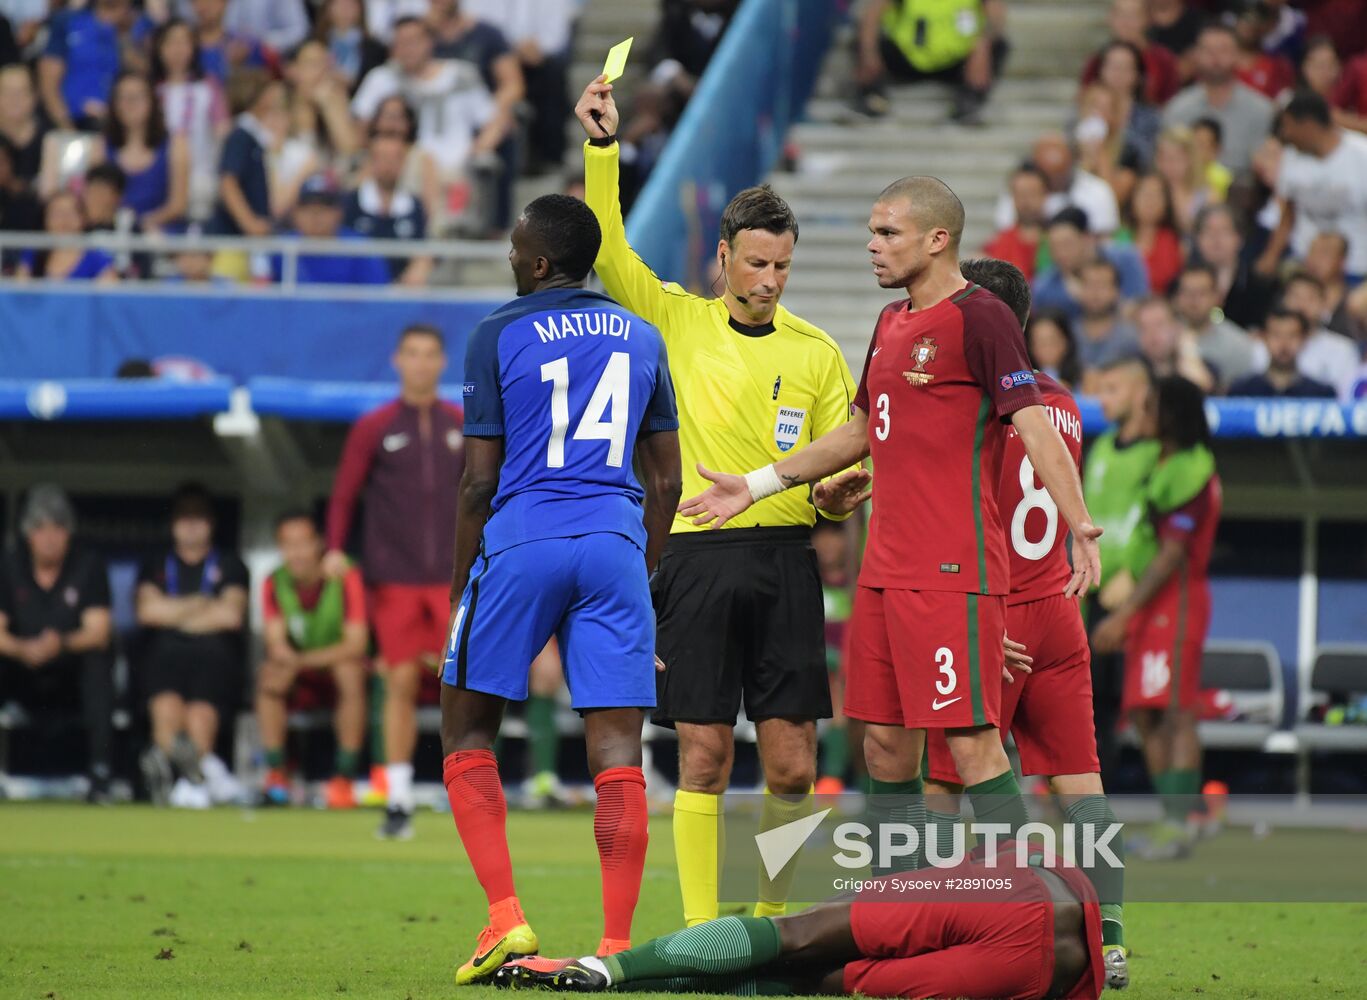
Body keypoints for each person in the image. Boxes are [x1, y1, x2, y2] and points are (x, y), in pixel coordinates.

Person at [678, 174, 1103, 914]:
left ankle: (1030, 911)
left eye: (886, 234)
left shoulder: (981, 318)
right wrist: (757, 483)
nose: (871, 247)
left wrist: (1077, 525)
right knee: (882, 748)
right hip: (881, 569)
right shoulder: (888, 321)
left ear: (937, 240)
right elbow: (855, 430)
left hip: (949, 570)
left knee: (970, 745)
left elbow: (1031, 423)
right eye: (872, 233)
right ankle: (893, 908)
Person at [577, 75, 858, 929]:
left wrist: (841, 501)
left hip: (783, 559)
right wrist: (601, 151)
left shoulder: (817, 354)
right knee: (700, 755)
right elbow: (610, 251)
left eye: (781, 265)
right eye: (756, 262)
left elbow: (843, 465)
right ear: (723, 257)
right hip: (695, 561)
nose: (768, 279)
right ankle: (702, 930)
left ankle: (772, 922)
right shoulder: (676, 320)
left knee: (791, 764)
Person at [440, 192, 682, 980]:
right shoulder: (642, 336)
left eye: (515, 249)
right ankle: (616, 950)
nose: (510, 259)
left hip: (523, 538)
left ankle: (504, 919)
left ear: (540, 262)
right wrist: (642, 578)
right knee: (617, 752)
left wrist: (457, 590)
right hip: (615, 543)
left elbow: (478, 484)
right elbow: (669, 481)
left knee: (467, 729)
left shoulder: (496, 333)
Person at [920, 255, 1128, 987]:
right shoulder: (1063, 403)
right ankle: (1112, 936)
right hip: (1058, 614)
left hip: (995, 615)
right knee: (1080, 783)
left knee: (946, 780)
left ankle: (944, 921)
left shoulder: (982, 405)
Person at [499, 847, 1105, 1000]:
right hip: (1044, 971)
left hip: (1016, 885)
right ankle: (605, 975)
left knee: (801, 937)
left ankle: (604, 970)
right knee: (830, 979)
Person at [325, 323, 465, 839]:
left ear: (443, 362)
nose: (422, 363)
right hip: (396, 580)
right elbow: (344, 494)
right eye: (413, 353)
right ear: (397, 361)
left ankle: (467, 795)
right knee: (400, 681)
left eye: (431, 353)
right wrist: (336, 550)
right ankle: (399, 798)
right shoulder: (374, 426)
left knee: (464, 687)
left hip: (453, 581)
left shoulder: (462, 424)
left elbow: (485, 493)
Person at [1092, 376, 1222, 863]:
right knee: (1145, 710)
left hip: (1177, 600)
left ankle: (1180, 822)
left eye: (1151, 406)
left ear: (1171, 414)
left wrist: (1124, 613)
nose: (1143, 412)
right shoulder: (1161, 460)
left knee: (1174, 709)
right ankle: (1174, 816)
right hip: (1152, 603)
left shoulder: (1193, 468)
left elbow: (1170, 555)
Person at [136, 483, 249, 809]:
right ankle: (194, 776)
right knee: (166, 707)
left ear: (211, 522)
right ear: (173, 522)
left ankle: (193, 781)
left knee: (200, 713)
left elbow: (229, 615)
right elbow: (147, 611)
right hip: (165, 654)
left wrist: (173, 611)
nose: (191, 524)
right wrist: (201, 603)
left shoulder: (229, 563)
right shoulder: (156, 562)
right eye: (184, 516)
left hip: (213, 655)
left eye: (198, 516)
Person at [0, 485, 114, 803]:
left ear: (69, 533)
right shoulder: (10, 564)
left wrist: (60, 643)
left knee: (99, 661)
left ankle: (100, 773)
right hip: (21, 670)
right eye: (40, 529)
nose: (49, 537)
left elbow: (99, 631)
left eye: (58, 528)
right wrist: (23, 648)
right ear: (28, 534)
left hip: (70, 673)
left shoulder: (87, 565)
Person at [255, 510, 369, 810]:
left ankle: (344, 778)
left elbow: (355, 645)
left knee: (349, 671)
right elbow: (276, 643)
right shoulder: (274, 582)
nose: (296, 553)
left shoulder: (346, 575)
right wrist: (288, 660)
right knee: (270, 673)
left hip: (338, 674)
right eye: (287, 544)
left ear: (319, 544)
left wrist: (300, 660)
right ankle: (277, 773)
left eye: (303, 543)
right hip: (301, 677)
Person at [1083, 355, 1160, 786]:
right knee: (1095, 705)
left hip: (1133, 596)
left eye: (1112, 389)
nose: (1103, 398)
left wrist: (1131, 573)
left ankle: (1179, 808)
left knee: (1150, 707)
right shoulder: (1102, 447)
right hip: (1094, 592)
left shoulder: (1156, 452)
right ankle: (1095, 800)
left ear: (1138, 392)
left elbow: (1153, 522)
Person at [351, 17, 504, 185]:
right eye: (400, 43)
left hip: (454, 172)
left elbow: (494, 121)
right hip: (398, 174)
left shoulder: (462, 75)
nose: (407, 49)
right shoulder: (381, 78)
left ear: (430, 42)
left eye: (413, 41)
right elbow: (359, 127)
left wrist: (479, 150)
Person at [1259, 89, 1367, 282]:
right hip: (1303, 259)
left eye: (1288, 126)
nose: (1285, 134)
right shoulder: (1291, 157)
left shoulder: (1361, 154)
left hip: (1356, 264)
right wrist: (1271, 255)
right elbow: (1288, 213)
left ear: (1308, 125)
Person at [853, 0, 1008, 125]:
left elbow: (996, 19)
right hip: (907, 57)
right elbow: (872, 15)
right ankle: (872, 97)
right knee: (864, 42)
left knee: (997, 47)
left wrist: (983, 43)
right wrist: (869, 53)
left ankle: (970, 101)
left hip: (956, 60)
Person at [1162, 23, 1275, 174]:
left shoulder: (1262, 111)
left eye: (1223, 50)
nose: (1215, 58)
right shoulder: (1177, 109)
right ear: (1196, 55)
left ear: (1238, 55)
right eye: (1208, 51)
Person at [152, 19, 230, 223]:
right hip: (161, 179)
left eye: (184, 42)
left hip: (200, 179)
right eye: (171, 42)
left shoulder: (207, 87)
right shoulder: (150, 90)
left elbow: (223, 133)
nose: (178, 50)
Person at [90, 72, 190, 232]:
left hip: (162, 232)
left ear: (152, 102)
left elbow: (178, 205)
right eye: (123, 97)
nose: (130, 104)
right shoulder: (101, 146)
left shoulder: (176, 144)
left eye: (137, 97)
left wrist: (142, 226)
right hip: (113, 232)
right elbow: (95, 201)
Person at [342, 131, 432, 285]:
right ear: (371, 161)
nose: (388, 166)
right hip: (358, 290)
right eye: (383, 158)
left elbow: (421, 248)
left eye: (395, 159)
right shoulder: (352, 201)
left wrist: (418, 268)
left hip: (401, 293)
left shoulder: (414, 205)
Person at [1030, 207, 1148, 322]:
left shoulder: (1126, 259)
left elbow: (1140, 311)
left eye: (1066, 244)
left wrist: (1096, 296)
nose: (1060, 254)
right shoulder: (1043, 287)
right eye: (1054, 247)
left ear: (1087, 238)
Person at [271, 172, 390, 286]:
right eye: (308, 208)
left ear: (339, 212)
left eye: (324, 208)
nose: (315, 215)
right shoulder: (279, 250)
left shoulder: (361, 251)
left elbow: (379, 301)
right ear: (295, 213)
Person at [1260, 271, 1362, 400]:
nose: (1301, 305)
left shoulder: (1343, 349)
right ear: (1283, 300)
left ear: (1323, 304)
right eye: (1295, 297)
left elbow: (1348, 400)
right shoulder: (1260, 346)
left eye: (1310, 298)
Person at [994, 132, 1119, 236]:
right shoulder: (1020, 189)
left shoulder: (1098, 191)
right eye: (1048, 176)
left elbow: (1104, 238)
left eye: (1060, 174)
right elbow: (1006, 230)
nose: (1055, 181)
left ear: (1071, 164)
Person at [211, 71, 286, 237]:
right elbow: (228, 182)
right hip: (236, 240)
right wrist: (249, 222)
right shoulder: (241, 136)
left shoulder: (256, 136)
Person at [38, 0, 128, 130]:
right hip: (75, 121)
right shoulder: (68, 21)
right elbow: (48, 82)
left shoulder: (132, 26)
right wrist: (67, 127)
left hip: (116, 125)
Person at [812, 518, 854, 796]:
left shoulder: (856, 586)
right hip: (811, 665)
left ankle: (832, 779)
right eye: (821, 536)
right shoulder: (807, 582)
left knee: (841, 689)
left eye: (834, 536)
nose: (827, 544)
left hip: (846, 672)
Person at [1191, 204, 1278, 332]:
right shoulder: (1181, 284)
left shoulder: (1260, 287)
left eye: (1224, 230)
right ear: (1197, 239)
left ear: (1239, 238)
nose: (1216, 238)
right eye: (1208, 230)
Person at [1172, 263, 1257, 392]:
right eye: (1187, 292)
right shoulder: (1162, 338)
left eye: (1201, 293)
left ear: (1217, 297)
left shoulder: (1238, 343)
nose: (1193, 300)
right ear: (1177, 297)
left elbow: (1239, 396)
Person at [1079, 0, 1180, 107]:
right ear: (1110, 18)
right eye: (1120, 14)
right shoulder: (1096, 60)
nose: (1126, 22)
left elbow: (1171, 103)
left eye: (1133, 15)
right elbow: (1085, 100)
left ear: (1147, 19)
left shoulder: (1163, 59)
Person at [1229, 306, 1339, 398]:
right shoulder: (1242, 391)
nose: (1284, 343)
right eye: (1276, 335)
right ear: (1264, 338)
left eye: (1292, 336)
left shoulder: (1321, 394)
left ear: (1303, 340)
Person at [15, 191, 117, 282]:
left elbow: (110, 298)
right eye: (57, 213)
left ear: (83, 218)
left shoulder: (97, 258)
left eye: (71, 213)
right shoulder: (33, 255)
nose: (64, 220)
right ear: (45, 219)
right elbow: (20, 295)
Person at [1071, 258, 1143, 377]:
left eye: (1103, 285)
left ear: (1116, 291)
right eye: (1089, 285)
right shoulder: (1068, 334)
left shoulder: (1131, 337)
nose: (1095, 292)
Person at [1118, 172, 1183, 294]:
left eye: (1156, 195)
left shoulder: (1175, 242)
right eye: (1144, 194)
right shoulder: (1119, 238)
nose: (1150, 201)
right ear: (1133, 198)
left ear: (1166, 202)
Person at [1134, 294, 1214, 390]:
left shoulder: (1202, 366)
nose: (1152, 333)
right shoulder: (1130, 369)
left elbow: (1200, 389)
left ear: (1176, 328)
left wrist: (1188, 348)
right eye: (1144, 327)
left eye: (1159, 325)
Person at [982, 164, 1048, 280]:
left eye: (1032, 194)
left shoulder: (1057, 240)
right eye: (1020, 195)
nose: (1026, 201)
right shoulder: (999, 242)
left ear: (1045, 195)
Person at [315, 0, 389, 94]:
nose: (345, 9)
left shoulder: (375, 49)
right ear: (328, 8)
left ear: (361, 9)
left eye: (350, 4)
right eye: (339, 3)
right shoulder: (316, 42)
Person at [192, 0, 271, 86]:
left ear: (225, 3)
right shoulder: (188, 45)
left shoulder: (245, 44)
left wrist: (238, 68)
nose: (204, 6)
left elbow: (263, 83)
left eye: (211, 1)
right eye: (198, 1)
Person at [1303, 231, 1362, 342]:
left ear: (1342, 261)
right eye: (1312, 252)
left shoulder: (1356, 302)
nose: (1315, 259)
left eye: (1324, 254)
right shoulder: (1292, 297)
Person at [0, 63, 46, 187]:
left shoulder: (49, 138)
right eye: (7, 92)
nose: (14, 99)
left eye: (21, 92)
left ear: (35, 95)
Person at [1024, 308, 1082, 389]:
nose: (1047, 349)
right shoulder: (1022, 379)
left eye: (1052, 341)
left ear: (1066, 341)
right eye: (1040, 343)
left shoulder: (1083, 377)